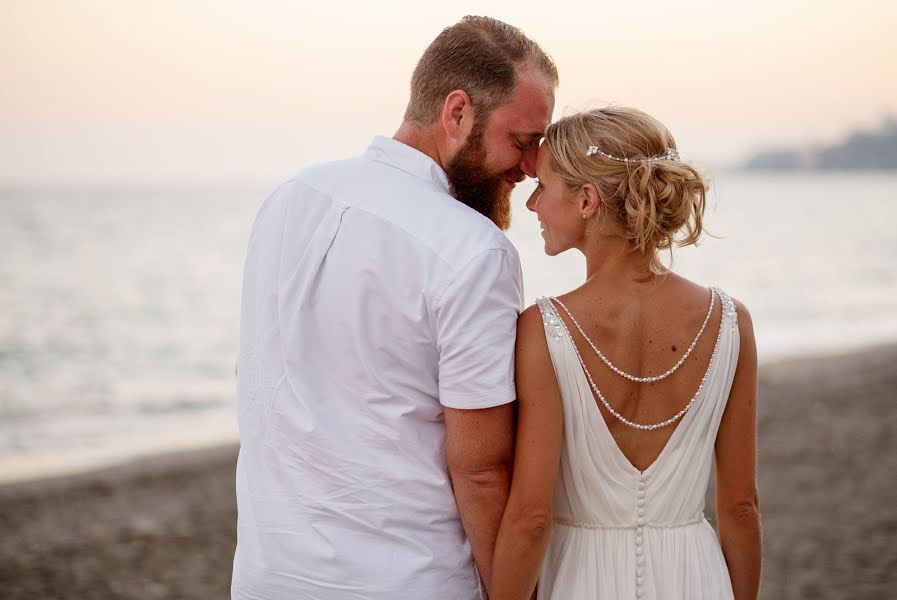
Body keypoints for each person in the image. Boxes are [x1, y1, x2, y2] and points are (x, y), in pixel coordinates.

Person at [231, 16, 557, 600]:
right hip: (408, 580)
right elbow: (482, 471)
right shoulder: (474, 251)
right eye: (523, 140)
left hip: (268, 575)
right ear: (457, 112)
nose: (531, 166)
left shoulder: (290, 197)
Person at [490, 107, 762, 599]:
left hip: (582, 581)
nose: (532, 205)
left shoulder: (544, 330)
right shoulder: (730, 321)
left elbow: (531, 519)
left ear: (587, 200)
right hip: (696, 579)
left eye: (544, 187)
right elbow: (740, 508)